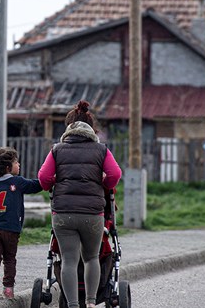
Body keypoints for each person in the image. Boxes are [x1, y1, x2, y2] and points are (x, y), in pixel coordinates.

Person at [37, 100, 122, 308]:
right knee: (92, 257)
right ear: (92, 129)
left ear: (68, 128)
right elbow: (115, 174)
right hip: (92, 213)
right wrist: (102, 184)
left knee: (68, 259)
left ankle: (73, 305)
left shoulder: (57, 150)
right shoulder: (101, 150)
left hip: (63, 213)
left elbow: (44, 178)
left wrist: (57, 183)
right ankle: (92, 303)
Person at [0, 147, 42, 300]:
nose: (19, 164)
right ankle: (8, 289)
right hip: (11, 229)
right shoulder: (18, 182)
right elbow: (36, 185)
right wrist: (49, 179)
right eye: (16, 162)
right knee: (9, 259)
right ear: (8, 167)